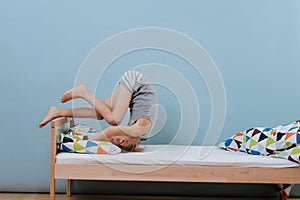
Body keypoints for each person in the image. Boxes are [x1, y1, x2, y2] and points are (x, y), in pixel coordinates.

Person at [39, 70, 157, 152]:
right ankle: (82, 92)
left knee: (100, 114)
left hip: (135, 88)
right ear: (122, 141)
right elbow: (110, 130)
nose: (113, 135)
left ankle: (58, 112)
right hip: (136, 82)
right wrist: (83, 144)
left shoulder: (139, 136)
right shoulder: (140, 129)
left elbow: (113, 133)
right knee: (113, 119)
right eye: (113, 138)